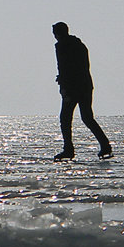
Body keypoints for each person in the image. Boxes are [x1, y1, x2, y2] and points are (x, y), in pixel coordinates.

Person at [51, 22, 112, 160]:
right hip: (85, 85)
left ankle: (68, 150)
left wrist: (64, 86)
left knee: (65, 119)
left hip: (74, 88)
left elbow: (64, 67)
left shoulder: (62, 46)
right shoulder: (80, 45)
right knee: (87, 117)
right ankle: (105, 145)